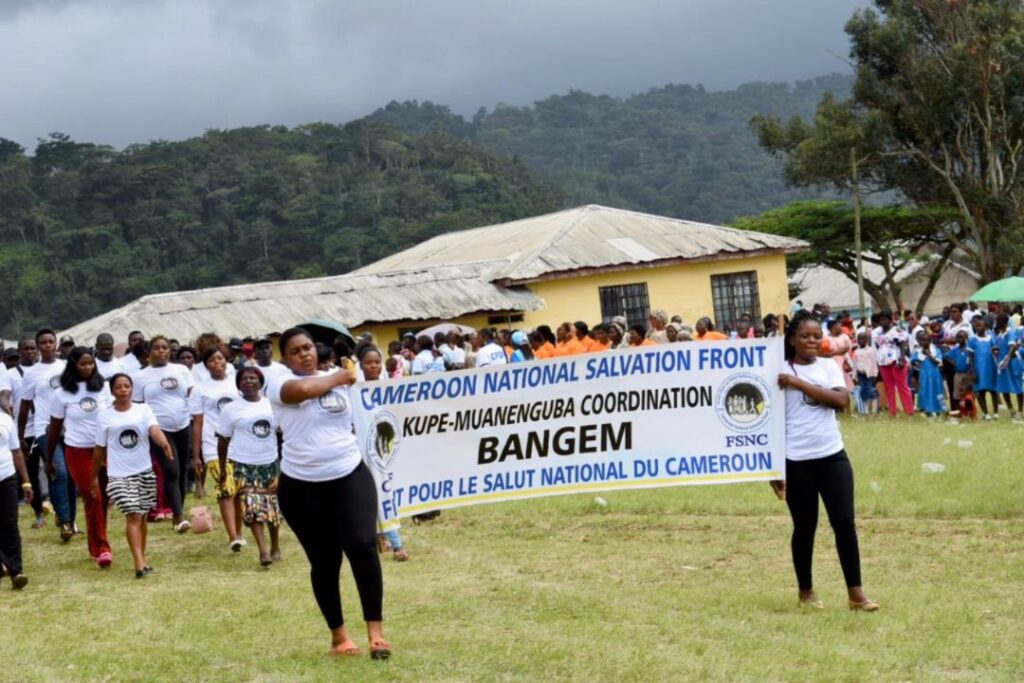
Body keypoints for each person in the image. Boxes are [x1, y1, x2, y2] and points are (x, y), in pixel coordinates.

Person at [266, 328, 390, 658]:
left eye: (307, 348)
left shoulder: (341, 378)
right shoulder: (277, 382)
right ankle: (339, 637)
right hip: (302, 486)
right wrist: (340, 377)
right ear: (285, 358)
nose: (304, 354)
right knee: (325, 561)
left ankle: (376, 633)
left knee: (363, 545)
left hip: (349, 474)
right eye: (295, 351)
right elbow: (303, 391)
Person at [776, 311, 878, 612]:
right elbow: (768, 420)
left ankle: (856, 594)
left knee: (845, 523)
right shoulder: (777, 369)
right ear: (792, 339)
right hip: (796, 459)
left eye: (816, 336)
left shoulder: (827, 366)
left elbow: (840, 401)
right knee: (805, 526)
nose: (811, 341)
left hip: (832, 455)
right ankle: (806, 591)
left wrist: (798, 384)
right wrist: (772, 468)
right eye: (805, 336)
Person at [94, 373, 172, 579]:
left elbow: (153, 429)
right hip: (119, 473)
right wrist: (94, 475)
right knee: (134, 515)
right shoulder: (104, 416)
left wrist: (163, 443)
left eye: (127, 386)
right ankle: (139, 563)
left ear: (132, 388)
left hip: (144, 470)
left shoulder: (143, 409)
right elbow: (99, 448)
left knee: (143, 515)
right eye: (118, 387)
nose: (123, 390)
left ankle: (142, 557)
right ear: (112, 391)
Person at [48, 347, 114, 566]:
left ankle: (95, 543)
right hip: (77, 451)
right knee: (92, 495)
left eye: (91, 364)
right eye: (83, 364)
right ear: (72, 365)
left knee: (102, 498)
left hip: (102, 449)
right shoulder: (62, 393)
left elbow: (111, 417)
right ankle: (101, 548)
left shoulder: (103, 387)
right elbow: (55, 428)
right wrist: (48, 459)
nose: (88, 368)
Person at [217, 367, 282, 568]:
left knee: (272, 508)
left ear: (261, 382)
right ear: (238, 385)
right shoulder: (231, 409)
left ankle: (275, 545)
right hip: (243, 463)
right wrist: (222, 468)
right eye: (244, 379)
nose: (248, 381)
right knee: (251, 506)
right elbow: (223, 440)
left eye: (253, 378)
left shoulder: (272, 405)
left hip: (270, 462)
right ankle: (263, 550)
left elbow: (283, 430)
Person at [18, 329, 76, 541]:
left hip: (70, 427)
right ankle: (65, 522)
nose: (47, 345)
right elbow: (25, 405)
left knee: (69, 475)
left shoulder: (66, 367)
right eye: (43, 342)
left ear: (56, 344)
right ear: (38, 346)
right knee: (59, 470)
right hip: (45, 428)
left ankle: (69, 519)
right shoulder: (32, 373)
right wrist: (21, 436)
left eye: (51, 342)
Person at [132, 335, 194, 532]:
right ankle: (178, 516)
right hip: (158, 428)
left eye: (165, 348)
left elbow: (193, 394)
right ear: (149, 352)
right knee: (171, 469)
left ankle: (179, 510)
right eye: (156, 348)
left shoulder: (181, 370)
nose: (161, 351)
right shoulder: (141, 376)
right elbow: (138, 405)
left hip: (183, 425)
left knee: (183, 469)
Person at [357, 347, 409, 563]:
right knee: (377, 494)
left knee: (387, 493)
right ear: (360, 365)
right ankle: (395, 543)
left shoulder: (390, 389)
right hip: (367, 452)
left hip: (389, 449)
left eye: (377, 362)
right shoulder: (355, 391)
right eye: (369, 363)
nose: (374, 366)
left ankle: (383, 538)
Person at [189, 347, 242, 541]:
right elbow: (197, 422)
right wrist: (196, 455)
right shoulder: (200, 389)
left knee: (238, 491)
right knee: (225, 490)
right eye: (212, 360)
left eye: (220, 358)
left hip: (240, 445)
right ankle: (233, 537)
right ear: (205, 365)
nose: (217, 362)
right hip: (213, 446)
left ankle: (239, 532)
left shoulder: (237, 383)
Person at [0, 404, 31, 589]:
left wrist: (26, 482)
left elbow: (17, 452)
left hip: (6, 477)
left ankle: (16, 571)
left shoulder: (5, 420)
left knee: (10, 523)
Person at [874, 311, 914, 417]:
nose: (882, 322)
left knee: (902, 386)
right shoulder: (878, 332)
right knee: (888, 387)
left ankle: (909, 411)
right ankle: (892, 412)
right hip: (883, 361)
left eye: (884, 319)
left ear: (890, 319)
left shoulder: (896, 330)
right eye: (880, 320)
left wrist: (901, 359)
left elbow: (903, 344)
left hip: (896, 360)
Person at [966, 316, 998, 420]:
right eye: (976, 326)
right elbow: (970, 357)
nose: (978, 328)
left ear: (985, 326)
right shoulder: (972, 340)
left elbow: (995, 351)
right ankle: (986, 413)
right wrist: (972, 371)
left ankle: (996, 413)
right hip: (978, 369)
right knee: (980, 391)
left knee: (993, 391)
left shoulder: (991, 338)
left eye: (980, 325)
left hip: (990, 368)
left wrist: (996, 351)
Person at [993, 314, 1023, 420]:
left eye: (998, 322)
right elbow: (998, 348)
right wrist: (995, 350)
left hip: (1012, 363)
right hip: (1003, 365)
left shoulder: (1011, 332)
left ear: (1005, 323)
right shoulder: (999, 335)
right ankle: (1011, 410)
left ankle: (1020, 411)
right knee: (1004, 388)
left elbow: (1012, 346)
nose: (997, 324)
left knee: (1018, 387)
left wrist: (1007, 359)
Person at [911, 332, 946, 417]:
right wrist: (917, 365)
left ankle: (940, 409)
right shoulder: (918, 352)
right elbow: (912, 361)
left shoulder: (935, 350)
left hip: (935, 375)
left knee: (937, 391)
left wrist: (928, 354)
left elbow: (937, 362)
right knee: (925, 391)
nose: (923, 342)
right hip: (924, 375)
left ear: (930, 340)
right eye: (921, 340)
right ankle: (927, 409)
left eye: (925, 340)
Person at [853, 333, 879, 415]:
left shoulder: (870, 351)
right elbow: (855, 364)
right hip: (861, 374)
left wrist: (875, 374)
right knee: (864, 391)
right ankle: (866, 410)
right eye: (859, 339)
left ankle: (874, 410)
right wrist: (854, 376)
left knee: (871, 391)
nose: (861, 341)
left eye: (863, 339)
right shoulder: (856, 351)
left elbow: (874, 362)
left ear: (867, 340)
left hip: (869, 374)